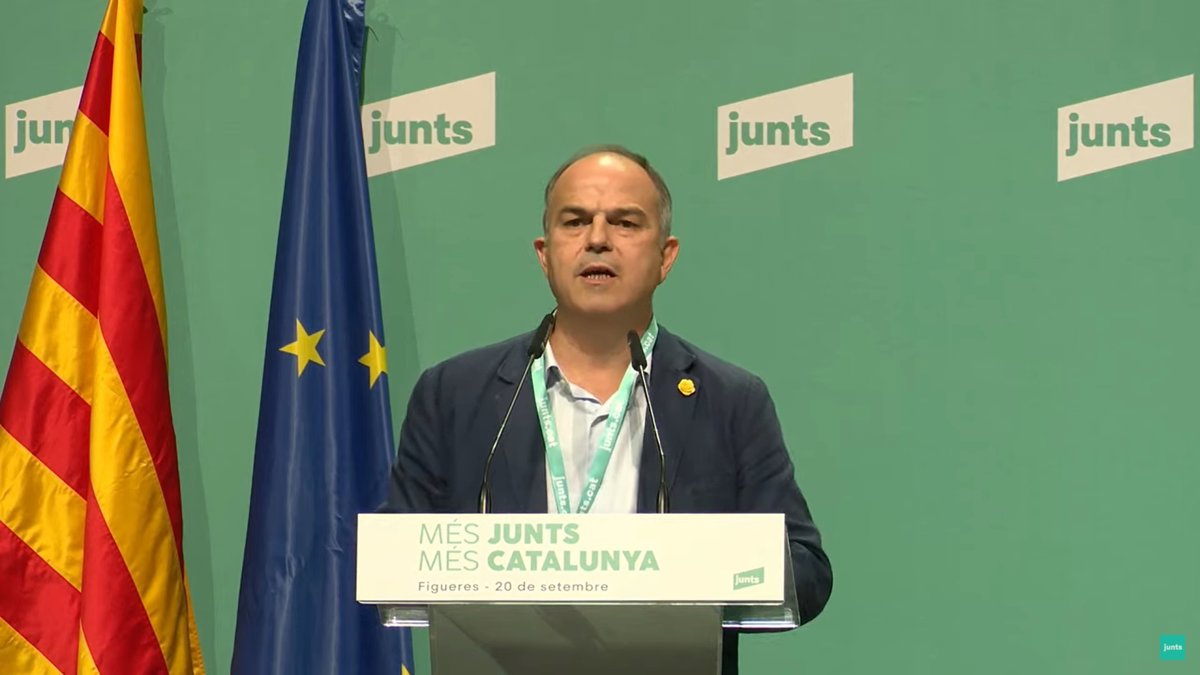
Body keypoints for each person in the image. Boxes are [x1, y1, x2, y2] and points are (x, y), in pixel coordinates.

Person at [384, 145, 833, 673]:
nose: (597, 239)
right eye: (575, 221)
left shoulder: (730, 400)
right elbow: (395, 557)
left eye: (625, 223)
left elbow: (806, 570)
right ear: (545, 253)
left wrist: (701, 565)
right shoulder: (455, 395)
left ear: (665, 256)